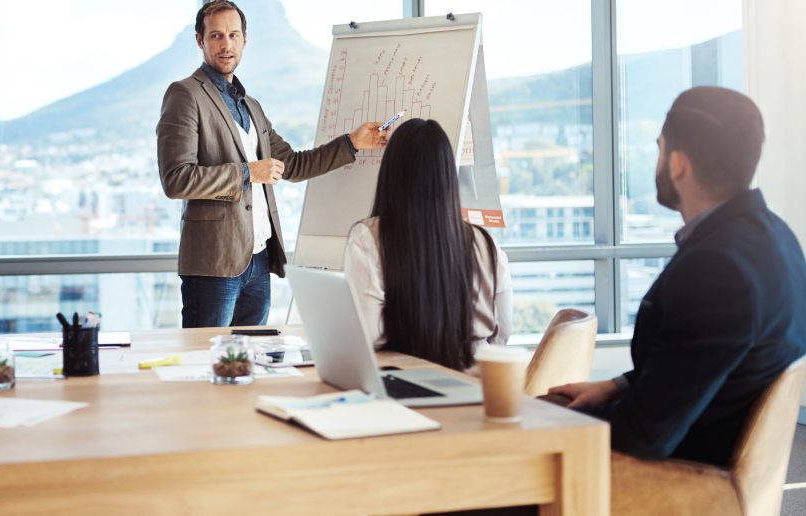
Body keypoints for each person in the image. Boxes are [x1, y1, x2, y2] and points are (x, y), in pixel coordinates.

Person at [550, 87, 806, 466]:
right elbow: (709, 364)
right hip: (715, 454)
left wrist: (542, 420)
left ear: (678, 163)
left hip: (680, 477)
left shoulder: (716, 269)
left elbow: (643, 436)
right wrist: (616, 386)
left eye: (660, 148)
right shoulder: (778, 238)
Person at [158, 0, 387, 328]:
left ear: (245, 41)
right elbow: (176, 179)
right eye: (216, 36)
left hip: (259, 261)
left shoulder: (251, 106)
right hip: (213, 265)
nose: (226, 45)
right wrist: (249, 173)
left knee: (250, 362)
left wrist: (352, 143)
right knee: (204, 359)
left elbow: (292, 165)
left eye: (234, 35)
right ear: (200, 40)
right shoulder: (185, 95)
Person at [344, 118, 512, 373]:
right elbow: (502, 336)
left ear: (391, 172)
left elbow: (368, 335)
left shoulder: (369, 237)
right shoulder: (486, 243)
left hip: (403, 385)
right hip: (474, 389)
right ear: (448, 174)